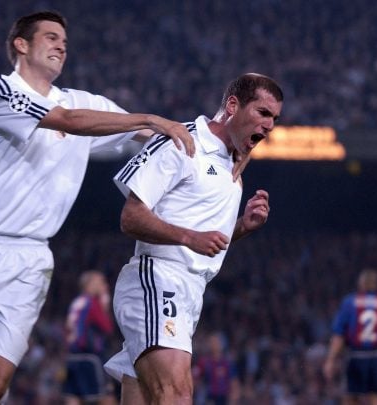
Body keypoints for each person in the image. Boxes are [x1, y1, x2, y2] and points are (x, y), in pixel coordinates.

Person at [0, 10, 195, 405]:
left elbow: (145, 134)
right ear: (21, 45)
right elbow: (69, 121)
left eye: (64, 40)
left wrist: (204, 144)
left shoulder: (83, 102)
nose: (61, 44)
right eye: (50, 37)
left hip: (29, 258)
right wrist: (150, 117)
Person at [103, 73, 284, 404]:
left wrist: (242, 225)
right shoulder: (183, 142)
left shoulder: (233, 169)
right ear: (232, 106)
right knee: (177, 394)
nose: (270, 125)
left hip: (191, 292)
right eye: (263, 113)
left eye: (274, 118)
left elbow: (209, 241)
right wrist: (189, 237)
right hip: (158, 278)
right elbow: (131, 217)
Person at [322, 268, 377, 405]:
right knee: (376, 399)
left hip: (357, 356)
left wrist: (330, 359)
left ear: (361, 284)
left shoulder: (350, 302)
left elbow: (339, 335)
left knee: (351, 398)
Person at [63, 270, 116, 405]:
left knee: (73, 396)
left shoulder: (77, 302)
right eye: (101, 282)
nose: (105, 286)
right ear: (90, 284)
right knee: (106, 397)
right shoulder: (92, 303)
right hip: (90, 357)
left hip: (72, 357)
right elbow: (107, 328)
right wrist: (104, 305)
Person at [192, 332, 241, 405]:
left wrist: (233, 400)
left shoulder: (227, 363)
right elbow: (194, 377)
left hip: (224, 398)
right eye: (211, 342)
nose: (213, 344)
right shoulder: (203, 362)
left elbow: (235, 384)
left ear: (221, 344)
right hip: (208, 398)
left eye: (215, 342)